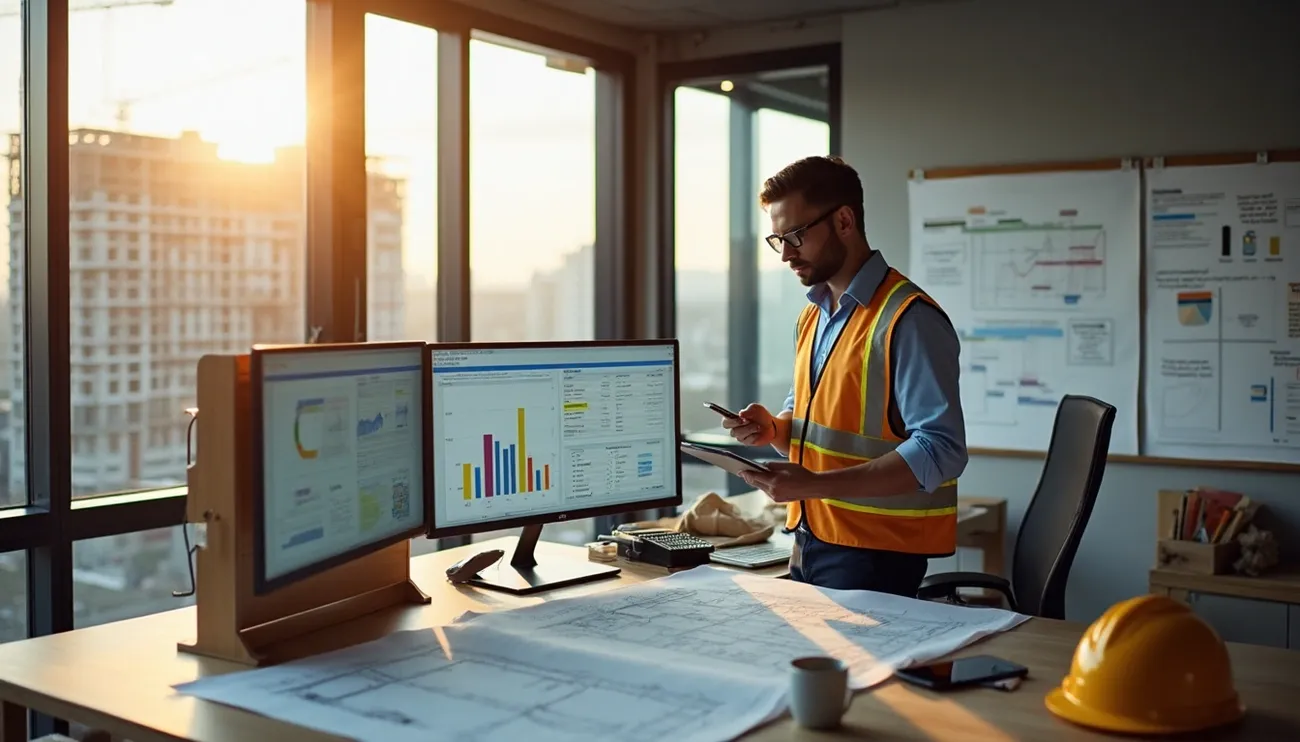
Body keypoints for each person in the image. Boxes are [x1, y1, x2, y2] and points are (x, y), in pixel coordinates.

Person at [722, 155, 967, 597]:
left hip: (877, 556)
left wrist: (816, 484)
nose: (786, 254)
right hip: (811, 539)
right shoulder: (813, 317)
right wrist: (774, 429)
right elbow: (815, 424)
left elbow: (941, 450)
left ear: (844, 221)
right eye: (778, 240)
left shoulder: (909, 319)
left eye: (795, 236)